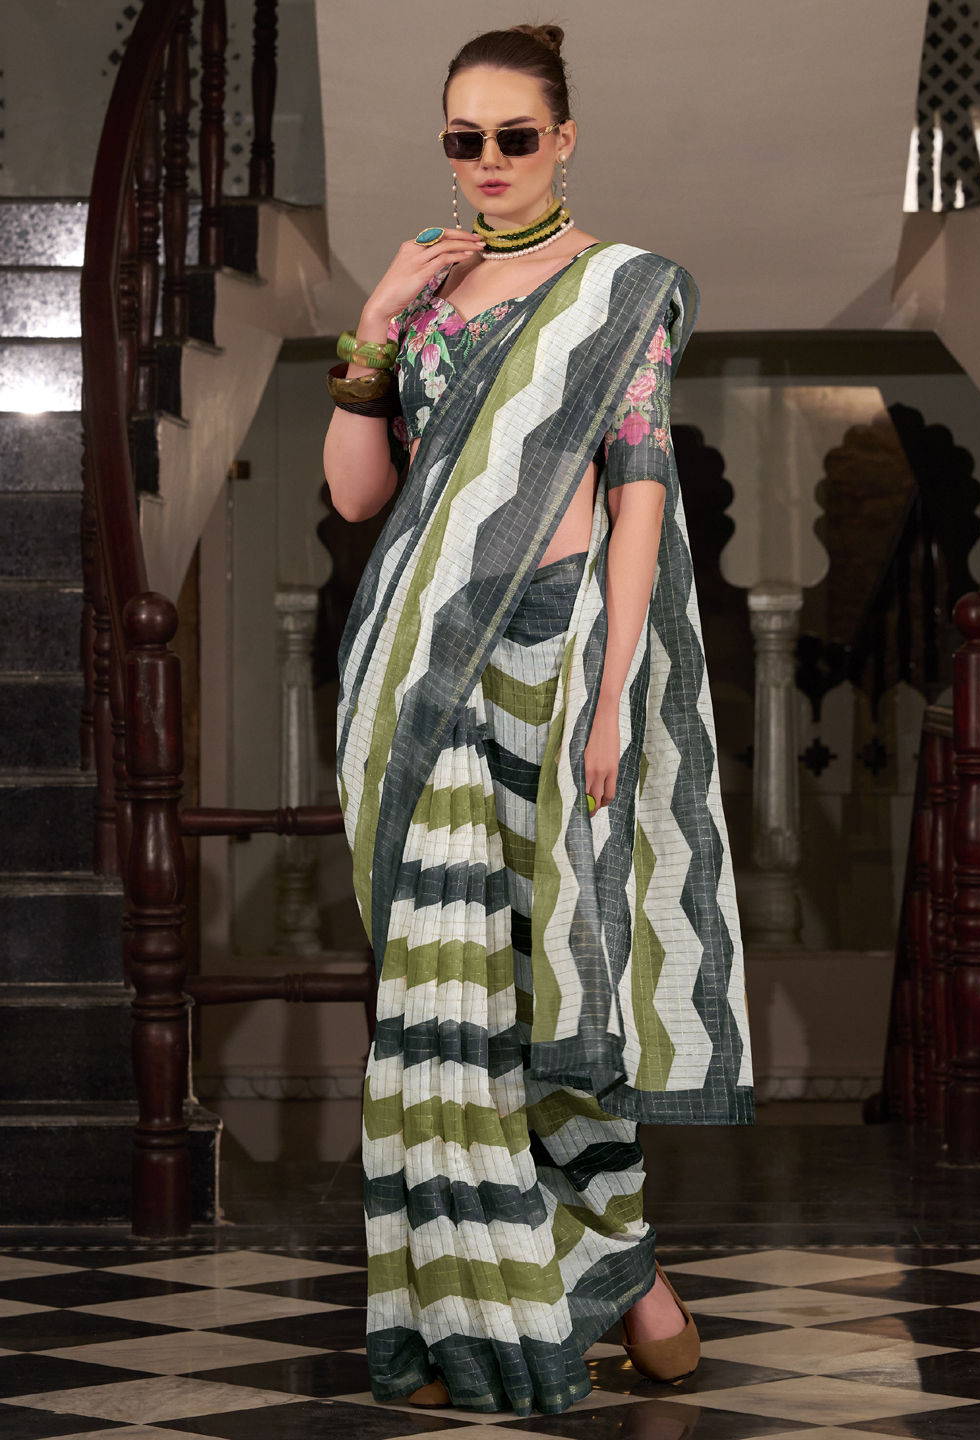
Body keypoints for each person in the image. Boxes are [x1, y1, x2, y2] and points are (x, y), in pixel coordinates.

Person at [323, 22, 754, 1419]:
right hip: (420, 669)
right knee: (445, 1005)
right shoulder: (430, 292)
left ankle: (625, 1279)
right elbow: (357, 494)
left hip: (558, 657)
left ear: (565, 139)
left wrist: (616, 693)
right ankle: (485, 1322)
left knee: (555, 991)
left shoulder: (621, 291)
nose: (491, 162)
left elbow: (639, 500)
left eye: (517, 136)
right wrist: (380, 312)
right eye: (466, 140)